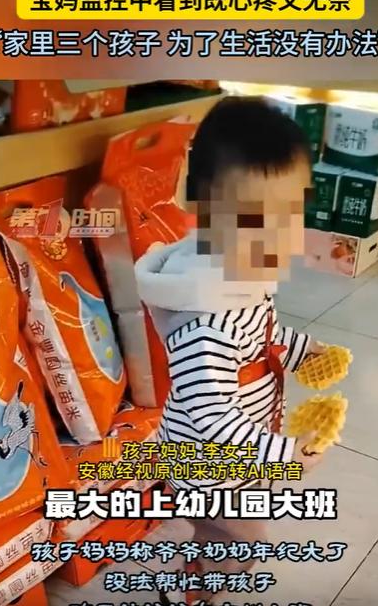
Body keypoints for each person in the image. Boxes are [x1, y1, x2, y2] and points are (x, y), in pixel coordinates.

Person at [135, 97, 327, 605]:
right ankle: (196, 583)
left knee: (230, 528)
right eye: (255, 219)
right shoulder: (205, 322)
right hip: (210, 461)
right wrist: (283, 454)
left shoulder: (241, 275)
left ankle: (211, 558)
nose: (279, 237)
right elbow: (211, 412)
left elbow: (262, 335)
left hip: (239, 450)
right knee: (239, 536)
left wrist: (302, 350)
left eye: (291, 213)